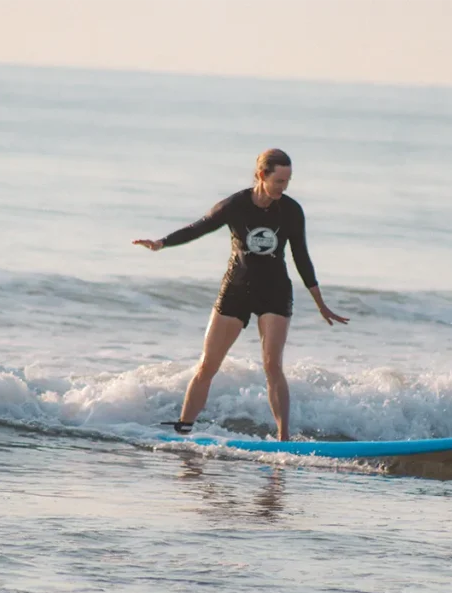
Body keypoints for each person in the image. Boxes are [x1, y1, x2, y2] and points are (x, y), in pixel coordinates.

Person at [133, 149, 348, 441]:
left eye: (288, 181)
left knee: (273, 365)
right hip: (236, 289)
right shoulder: (235, 205)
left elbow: (301, 257)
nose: (284, 188)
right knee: (208, 364)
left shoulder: (291, 211)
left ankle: (283, 439)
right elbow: (199, 227)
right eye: (279, 181)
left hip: (275, 291)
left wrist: (320, 303)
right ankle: (183, 427)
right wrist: (162, 243)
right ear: (262, 175)